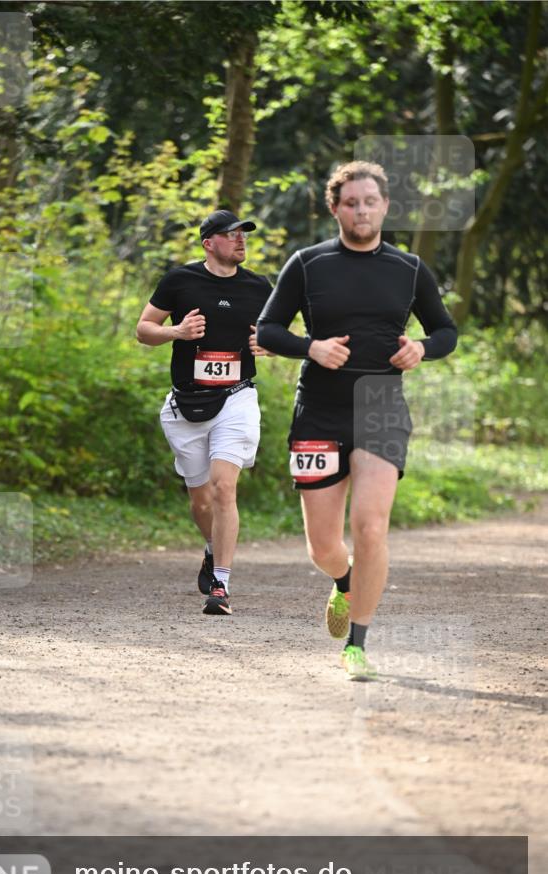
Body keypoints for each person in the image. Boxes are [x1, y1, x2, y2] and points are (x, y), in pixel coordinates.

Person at [256, 161, 457, 680]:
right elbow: (269, 329)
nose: (362, 210)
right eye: (351, 202)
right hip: (320, 408)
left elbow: (445, 331)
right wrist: (312, 347)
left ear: (386, 206)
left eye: (370, 201)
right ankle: (343, 582)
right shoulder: (307, 264)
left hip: (381, 405)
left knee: (370, 527)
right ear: (335, 208)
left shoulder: (410, 268)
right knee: (324, 546)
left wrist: (422, 348)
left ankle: (357, 645)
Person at [136, 210, 273, 616]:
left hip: (237, 397)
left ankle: (221, 586)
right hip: (187, 404)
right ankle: (212, 548)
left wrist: (269, 343)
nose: (241, 241)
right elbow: (143, 329)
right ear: (209, 242)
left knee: (223, 488)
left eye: (243, 235)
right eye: (232, 235)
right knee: (201, 503)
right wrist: (175, 332)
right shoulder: (180, 281)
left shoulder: (260, 287)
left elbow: (280, 333)